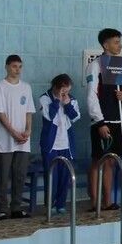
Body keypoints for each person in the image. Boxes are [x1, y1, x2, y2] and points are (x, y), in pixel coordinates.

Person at [86, 28, 122, 211]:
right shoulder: (95, 66)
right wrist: (100, 121)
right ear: (106, 45)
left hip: (118, 120)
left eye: (120, 42)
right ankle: (95, 201)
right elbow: (91, 95)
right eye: (116, 42)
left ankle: (108, 201)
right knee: (98, 160)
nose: (119, 45)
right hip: (102, 121)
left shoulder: (121, 65)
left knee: (111, 161)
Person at [0, 55, 34, 220]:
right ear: (7, 67)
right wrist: (13, 132)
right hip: (6, 139)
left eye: (20, 66)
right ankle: (2, 208)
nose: (17, 70)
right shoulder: (0, 87)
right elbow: (0, 113)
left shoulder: (26, 87)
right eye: (14, 66)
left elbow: (29, 111)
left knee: (20, 175)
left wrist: (28, 130)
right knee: (3, 176)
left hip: (23, 139)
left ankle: (16, 207)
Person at [39, 74, 80, 215]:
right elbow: (49, 116)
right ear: (56, 88)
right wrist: (57, 101)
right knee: (52, 175)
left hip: (66, 144)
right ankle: (50, 204)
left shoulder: (71, 99)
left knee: (65, 177)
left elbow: (75, 117)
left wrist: (67, 105)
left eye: (67, 91)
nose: (65, 94)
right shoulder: (44, 98)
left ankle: (61, 204)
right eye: (63, 91)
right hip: (51, 145)